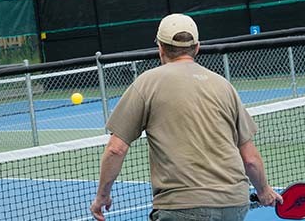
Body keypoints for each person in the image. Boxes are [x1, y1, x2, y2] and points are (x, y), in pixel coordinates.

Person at [90, 14, 280, 221]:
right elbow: (250, 159)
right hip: (234, 204)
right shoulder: (224, 86)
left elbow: (116, 149)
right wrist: (264, 191)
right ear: (197, 47)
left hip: (180, 206)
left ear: (160, 48)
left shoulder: (146, 83)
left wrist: (102, 196)